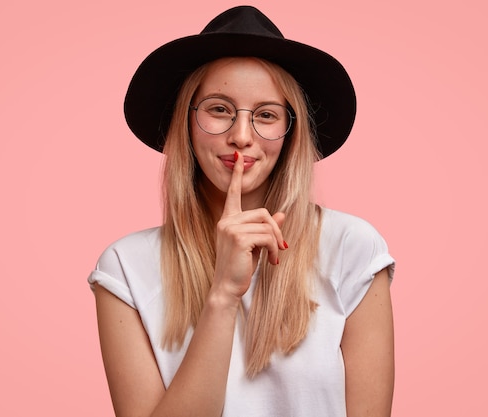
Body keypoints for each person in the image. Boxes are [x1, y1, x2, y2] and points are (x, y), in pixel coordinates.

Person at [88, 5, 395, 417]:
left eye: (266, 115)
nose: (241, 136)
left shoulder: (352, 248)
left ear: (290, 132)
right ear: (186, 122)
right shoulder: (125, 268)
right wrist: (222, 296)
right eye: (219, 109)